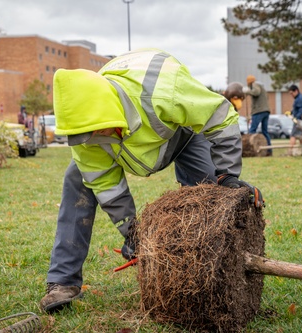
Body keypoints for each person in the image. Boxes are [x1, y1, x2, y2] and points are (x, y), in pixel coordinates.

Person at [39, 48, 264, 313]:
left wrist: (226, 174)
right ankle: (63, 281)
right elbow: (106, 185)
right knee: (77, 180)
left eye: (97, 131)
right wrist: (133, 231)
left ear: (108, 111)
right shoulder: (85, 134)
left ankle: (212, 279)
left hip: (183, 136)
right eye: (85, 136)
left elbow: (220, 116)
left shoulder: (165, 89)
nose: (91, 140)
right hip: (134, 146)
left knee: (213, 195)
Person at [242, 75, 272, 156]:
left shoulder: (255, 85)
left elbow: (256, 92)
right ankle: (269, 151)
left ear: (249, 82)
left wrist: (247, 91)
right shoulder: (262, 87)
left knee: (252, 130)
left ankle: (251, 151)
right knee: (265, 131)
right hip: (266, 111)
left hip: (259, 111)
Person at [288, 85, 302, 154]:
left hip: (299, 121)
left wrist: (296, 119)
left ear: (296, 91)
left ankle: (290, 151)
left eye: (292, 93)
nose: (291, 95)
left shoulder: (300, 99)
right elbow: (296, 109)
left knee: (293, 135)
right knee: (301, 136)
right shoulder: (298, 99)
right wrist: (291, 112)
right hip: (300, 120)